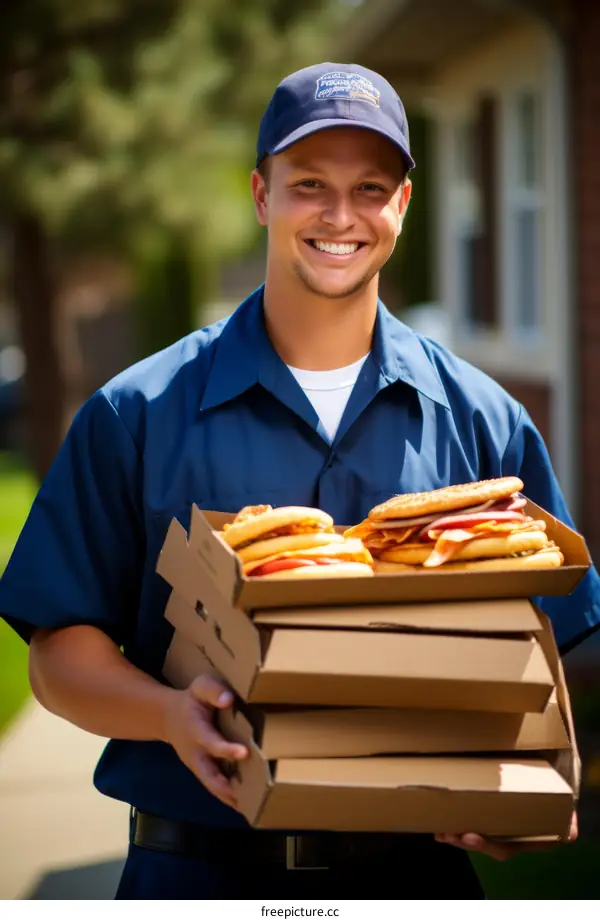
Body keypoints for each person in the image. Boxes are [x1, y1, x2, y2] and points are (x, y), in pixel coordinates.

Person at [0, 62, 597, 900]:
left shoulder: (484, 423)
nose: (340, 215)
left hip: (414, 880)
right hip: (195, 876)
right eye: (309, 184)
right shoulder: (137, 413)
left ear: (402, 206)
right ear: (260, 196)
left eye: (370, 187)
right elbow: (59, 658)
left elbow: (549, 653)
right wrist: (171, 717)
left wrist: (529, 787)